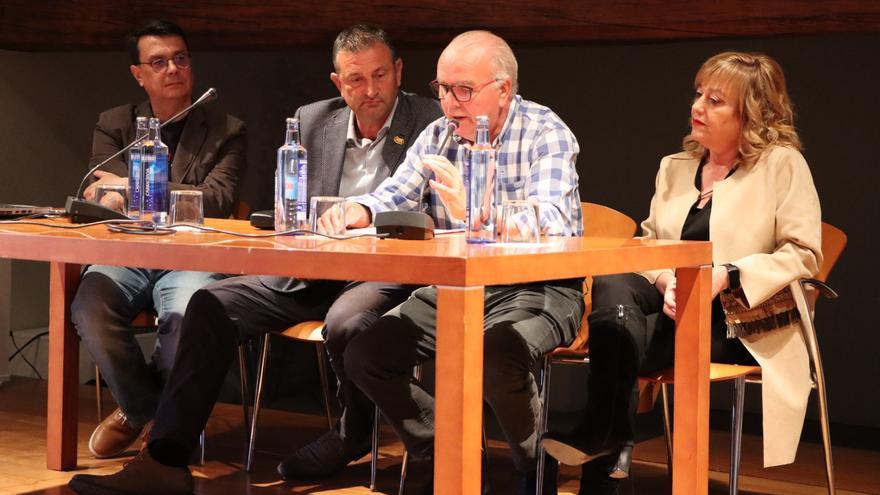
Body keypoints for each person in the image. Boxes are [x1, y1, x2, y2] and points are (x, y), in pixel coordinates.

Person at [68, 24, 441, 495]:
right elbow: (291, 208)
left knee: (349, 322)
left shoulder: (431, 121)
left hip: (384, 271)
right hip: (313, 265)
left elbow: (431, 212)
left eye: (380, 75)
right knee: (209, 303)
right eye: (355, 80)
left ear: (399, 71)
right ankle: (164, 460)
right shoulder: (313, 119)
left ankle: (354, 434)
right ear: (336, 82)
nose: (370, 90)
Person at [541, 52, 822, 495]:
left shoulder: (781, 165)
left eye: (715, 100)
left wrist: (725, 275)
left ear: (751, 114)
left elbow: (803, 254)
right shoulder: (674, 168)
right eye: (698, 95)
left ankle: (604, 441)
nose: (697, 107)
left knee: (617, 335)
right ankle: (611, 438)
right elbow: (649, 242)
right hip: (672, 308)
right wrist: (665, 280)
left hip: (739, 322)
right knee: (617, 283)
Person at [333, 30, 584, 495]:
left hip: (541, 287)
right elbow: (396, 193)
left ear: (504, 88)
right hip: (461, 287)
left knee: (497, 353)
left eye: (463, 90)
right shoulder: (439, 134)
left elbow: (555, 220)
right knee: (366, 355)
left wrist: (477, 211)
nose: (450, 102)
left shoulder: (545, 132)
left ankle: (534, 470)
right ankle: (447, 451)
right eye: (443, 89)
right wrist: (359, 210)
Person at [71, 19, 247, 460]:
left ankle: (149, 421)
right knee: (88, 305)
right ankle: (147, 412)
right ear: (139, 74)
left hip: (191, 256)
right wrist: (123, 192)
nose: (173, 68)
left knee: (189, 317)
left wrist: (133, 187)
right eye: (159, 61)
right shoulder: (114, 125)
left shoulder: (227, 129)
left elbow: (220, 202)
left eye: (181, 58)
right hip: (127, 253)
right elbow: (97, 193)